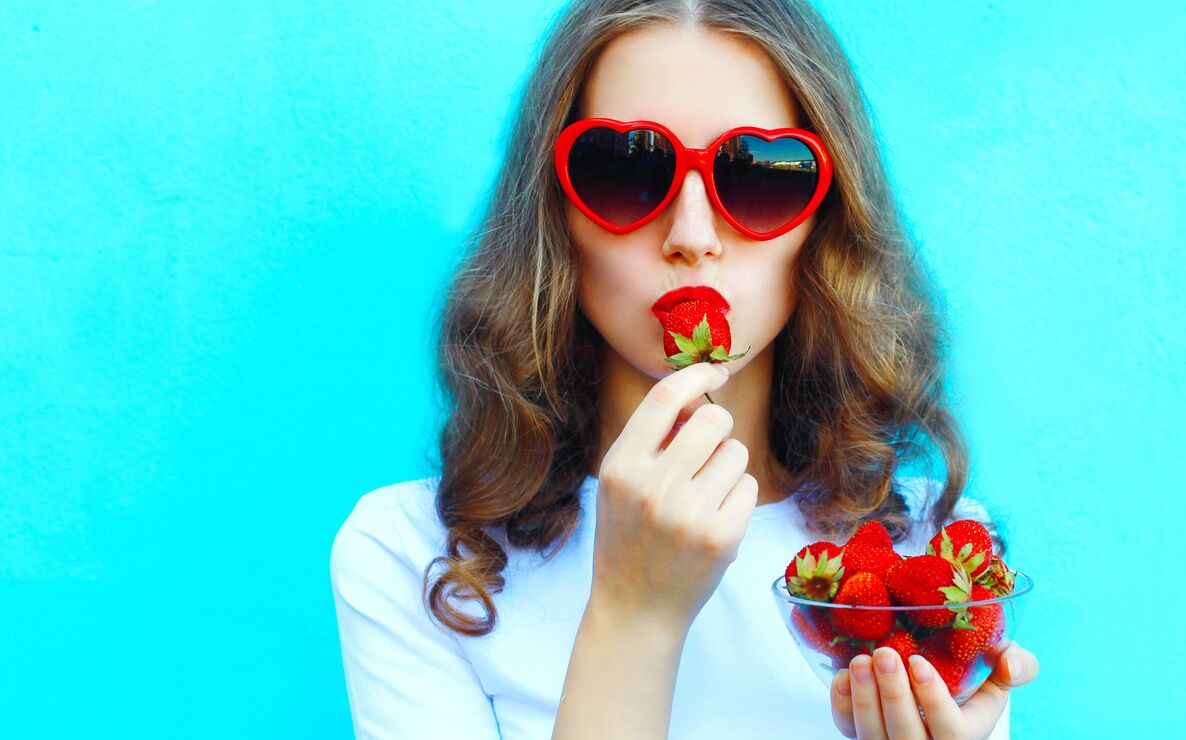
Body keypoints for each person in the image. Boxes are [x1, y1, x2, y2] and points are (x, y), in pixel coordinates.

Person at [330, 1, 1039, 737]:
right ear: (554, 217)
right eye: (624, 171)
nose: (692, 236)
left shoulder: (934, 556)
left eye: (762, 175)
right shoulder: (418, 559)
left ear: (825, 221)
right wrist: (633, 616)